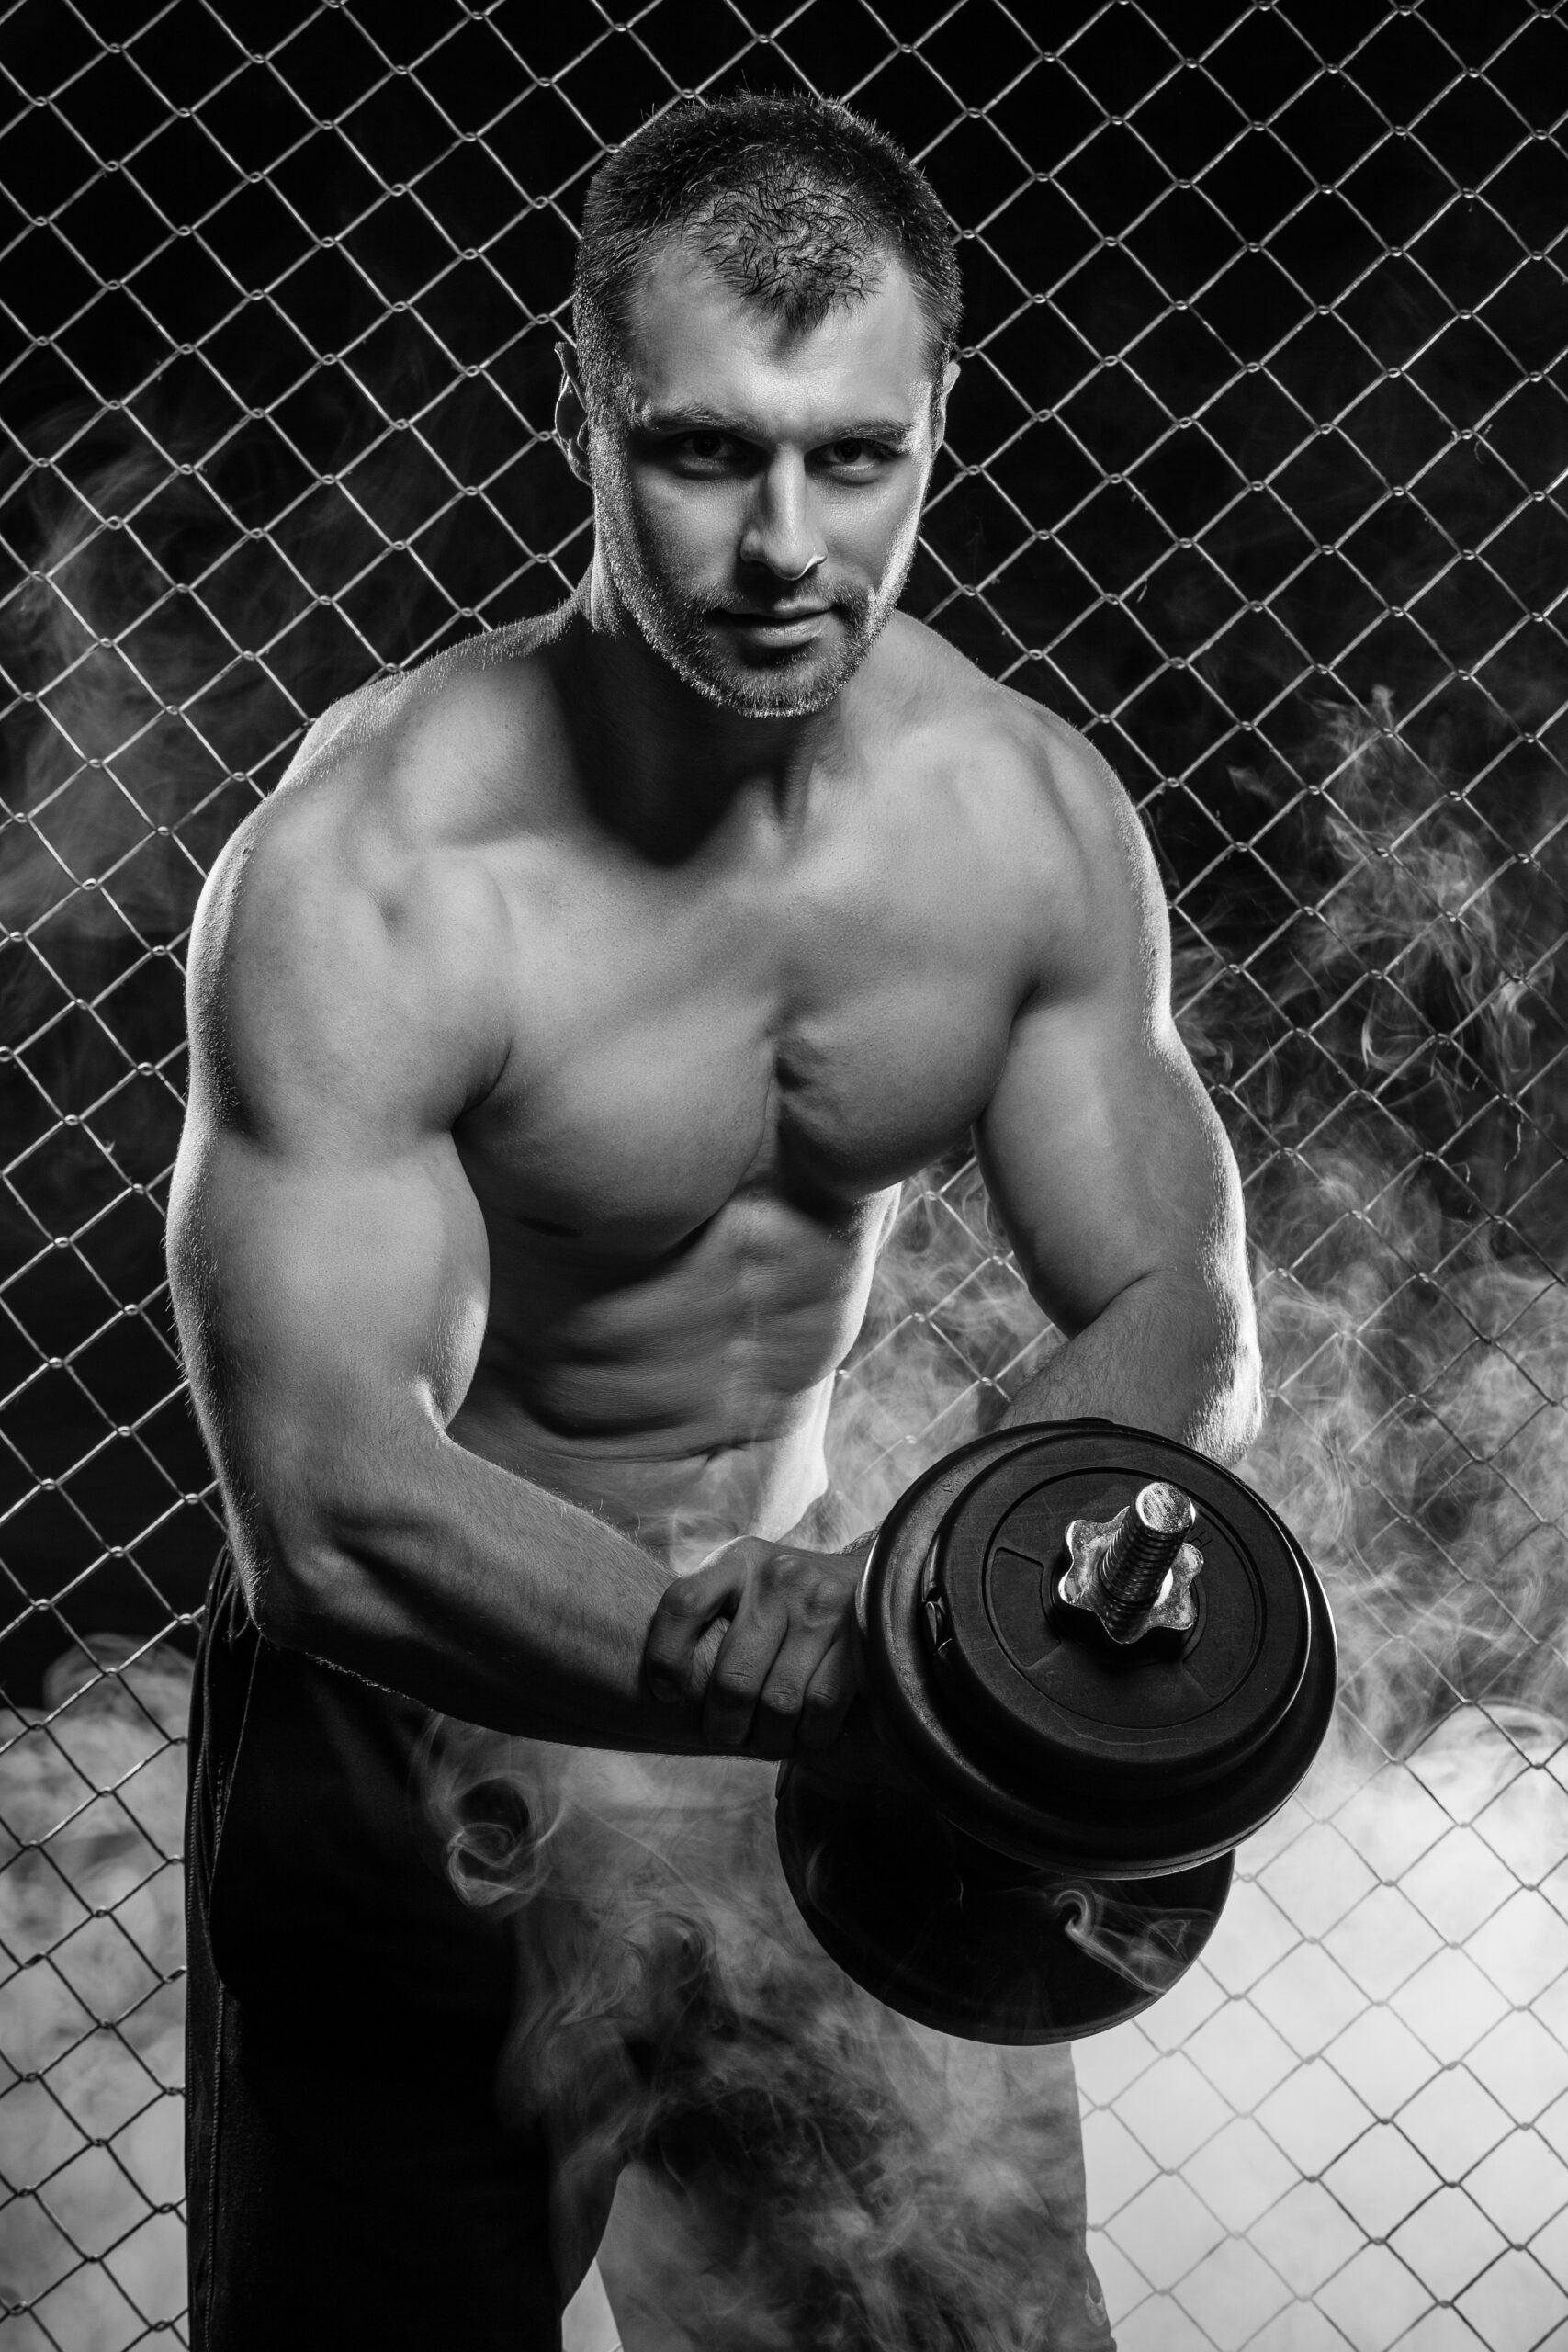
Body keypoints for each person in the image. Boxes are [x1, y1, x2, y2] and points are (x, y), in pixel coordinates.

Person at [170, 90, 1260, 2352]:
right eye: (702, 450)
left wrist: (907, 1611)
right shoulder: (383, 867)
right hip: (424, 1758)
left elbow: (1177, 1300)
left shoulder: (1021, 821)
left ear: (937, 420)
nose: (786, 542)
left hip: (839, 1720)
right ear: (570, 408)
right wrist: (814, 1667)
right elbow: (327, 1508)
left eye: (854, 457)